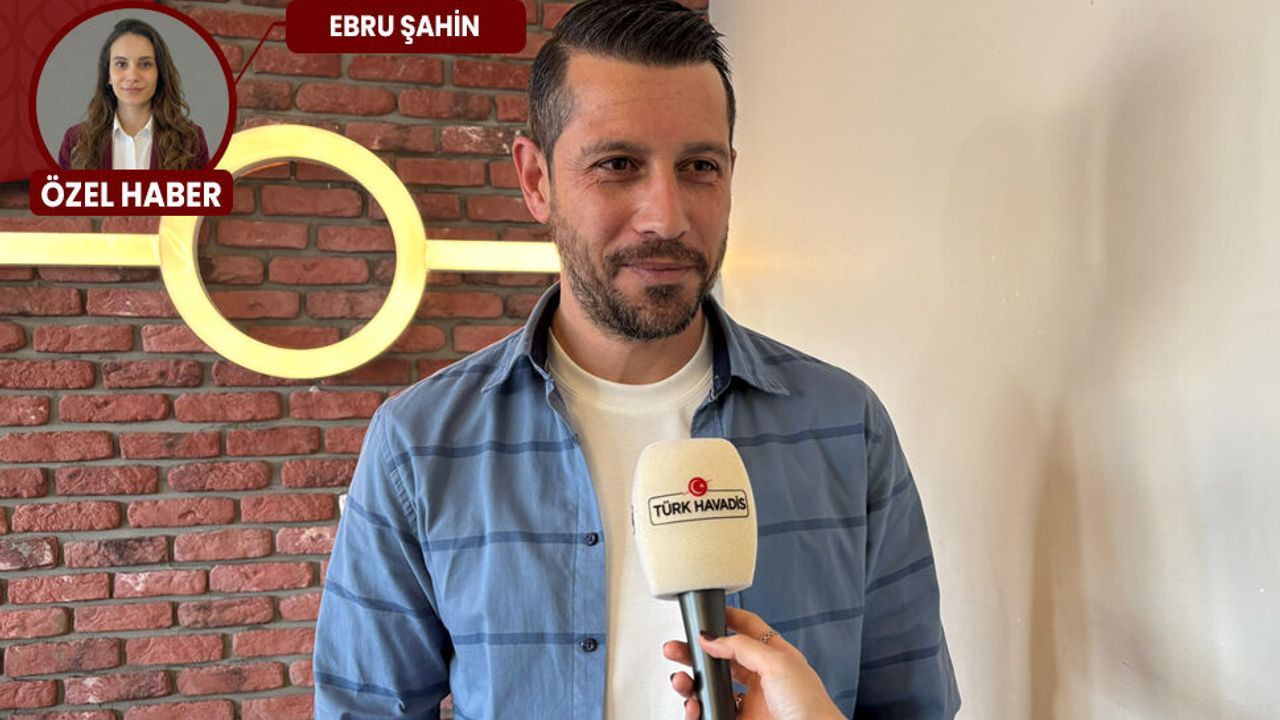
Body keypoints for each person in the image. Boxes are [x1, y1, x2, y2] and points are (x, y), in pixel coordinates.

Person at [313, 1, 960, 718]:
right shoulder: (420, 443)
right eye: (617, 165)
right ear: (536, 180)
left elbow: (913, 707)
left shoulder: (845, 426)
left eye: (699, 167)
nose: (667, 217)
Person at [57, 18, 209, 170]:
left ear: (159, 73)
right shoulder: (76, 141)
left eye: (145, 64)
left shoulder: (191, 142)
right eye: (121, 64)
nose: (133, 76)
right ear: (108, 75)